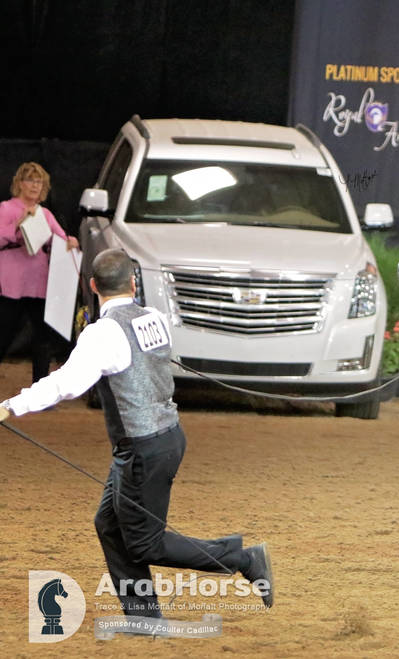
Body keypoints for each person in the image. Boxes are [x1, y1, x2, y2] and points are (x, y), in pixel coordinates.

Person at [0, 248, 274, 619]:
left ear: (93, 286)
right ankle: (143, 617)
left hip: (143, 448)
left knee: (146, 544)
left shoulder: (103, 333)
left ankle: (243, 558)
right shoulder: (154, 317)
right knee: (109, 525)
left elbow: (68, 383)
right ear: (133, 282)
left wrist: (11, 405)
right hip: (162, 438)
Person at [0, 162, 80, 383]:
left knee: (42, 339)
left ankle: (40, 388)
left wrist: (70, 243)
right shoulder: (6, 208)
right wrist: (17, 225)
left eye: (39, 181)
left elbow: (62, 239)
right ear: (19, 183)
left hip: (39, 284)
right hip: (12, 283)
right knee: (3, 335)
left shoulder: (44, 213)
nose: (35, 185)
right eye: (30, 180)